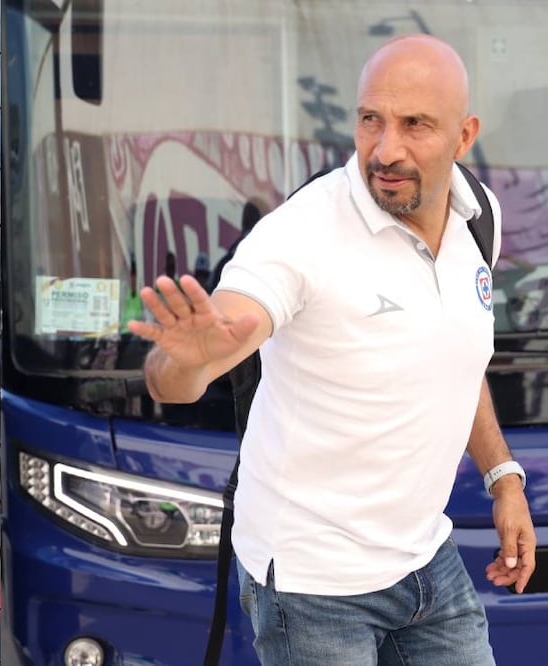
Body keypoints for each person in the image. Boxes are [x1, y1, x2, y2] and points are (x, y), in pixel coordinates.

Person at [128, 34, 535, 665]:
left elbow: (454, 356)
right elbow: (179, 376)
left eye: (415, 125)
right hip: (312, 583)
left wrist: (503, 477)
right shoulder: (301, 236)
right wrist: (185, 358)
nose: (386, 149)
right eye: (371, 120)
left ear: (464, 136)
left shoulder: (478, 214)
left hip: (425, 557)